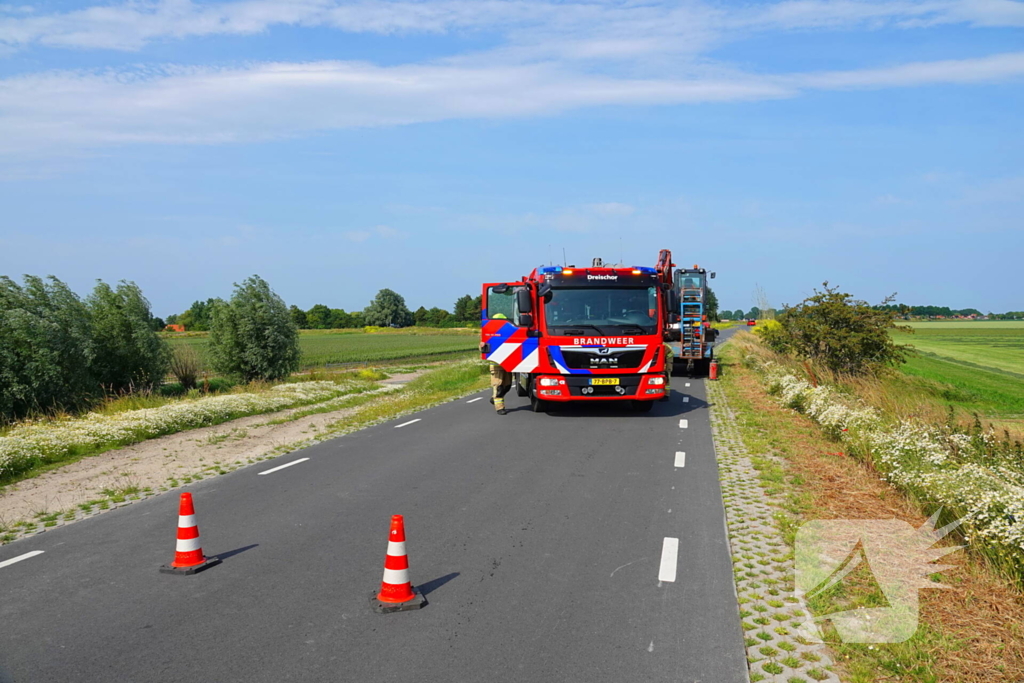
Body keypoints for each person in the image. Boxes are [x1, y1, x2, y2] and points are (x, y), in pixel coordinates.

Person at [482, 314, 513, 415]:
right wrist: (482, 346)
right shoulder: (489, 334)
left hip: (507, 365)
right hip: (496, 366)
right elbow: (483, 346)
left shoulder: (508, 333)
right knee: (498, 387)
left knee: (507, 386)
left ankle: (494, 398)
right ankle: (499, 408)